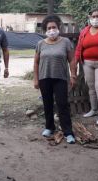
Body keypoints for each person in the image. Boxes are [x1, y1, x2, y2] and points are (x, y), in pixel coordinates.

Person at [33, 15, 77, 144]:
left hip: (61, 78)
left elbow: (72, 60)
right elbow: (36, 63)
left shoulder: (65, 42)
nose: (52, 30)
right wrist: (36, 79)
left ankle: (68, 132)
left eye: (54, 27)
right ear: (45, 30)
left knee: (62, 104)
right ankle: (49, 127)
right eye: (49, 28)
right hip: (44, 78)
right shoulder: (40, 44)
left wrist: (73, 75)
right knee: (47, 104)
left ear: (58, 28)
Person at [75, 9, 98, 125]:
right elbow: (79, 47)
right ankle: (94, 110)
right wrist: (75, 61)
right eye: (93, 16)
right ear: (90, 17)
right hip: (87, 63)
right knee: (91, 88)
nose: (95, 18)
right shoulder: (85, 31)